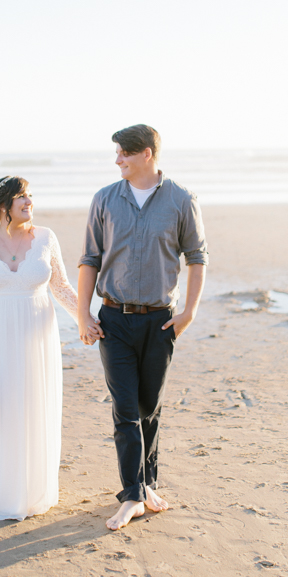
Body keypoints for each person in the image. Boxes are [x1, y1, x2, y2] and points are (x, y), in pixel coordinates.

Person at [78, 125, 208, 531]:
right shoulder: (104, 199)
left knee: (149, 408)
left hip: (160, 320)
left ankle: (148, 484)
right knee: (126, 410)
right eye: (117, 154)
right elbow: (89, 259)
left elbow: (197, 257)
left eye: (123, 154)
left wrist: (189, 312)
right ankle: (132, 495)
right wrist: (83, 314)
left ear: (146, 154)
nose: (117, 161)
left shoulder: (182, 200)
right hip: (113, 319)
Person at [0, 175, 78, 521]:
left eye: (30, 195)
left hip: (36, 336)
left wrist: (87, 319)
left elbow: (61, 287)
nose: (29, 202)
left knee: (32, 405)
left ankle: (31, 487)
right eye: (22, 196)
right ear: (2, 204)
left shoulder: (46, 238)